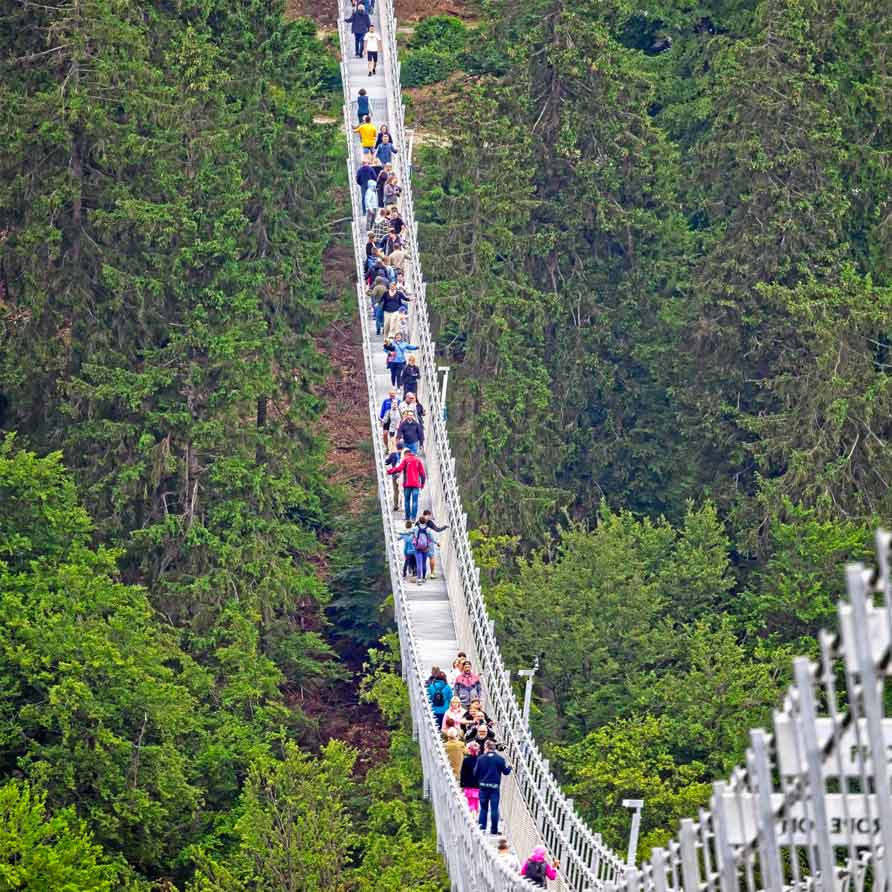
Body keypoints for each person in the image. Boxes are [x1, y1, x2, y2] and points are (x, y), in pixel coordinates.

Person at [475, 740, 512, 835]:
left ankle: (482, 828)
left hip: (483, 787)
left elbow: (475, 773)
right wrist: (510, 767)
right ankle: (494, 830)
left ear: (486, 747)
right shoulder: (500, 759)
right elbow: (506, 772)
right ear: (494, 748)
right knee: (494, 808)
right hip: (494, 788)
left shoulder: (480, 759)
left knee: (483, 809)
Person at [387, 448, 425, 521]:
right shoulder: (418, 460)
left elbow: (398, 469)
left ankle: (407, 518)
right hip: (416, 485)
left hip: (407, 485)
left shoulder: (405, 460)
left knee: (407, 501)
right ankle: (413, 518)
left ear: (406, 454)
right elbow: (422, 474)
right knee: (415, 501)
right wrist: (422, 484)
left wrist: (389, 471)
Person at [419, 509, 447, 578]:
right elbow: (437, 530)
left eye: (429, 516)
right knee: (431, 557)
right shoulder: (430, 523)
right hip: (429, 543)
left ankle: (422, 574)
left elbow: (415, 533)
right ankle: (431, 573)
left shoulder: (418, 522)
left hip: (420, 543)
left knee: (423, 558)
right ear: (424, 515)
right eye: (428, 516)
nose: (428, 517)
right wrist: (444, 527)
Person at [460, 741, 481, 814]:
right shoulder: (481, 760)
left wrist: (462, 784)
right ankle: (475, 813)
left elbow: (463, 773)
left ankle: (471, 813)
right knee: (476, 801)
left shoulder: (466, 760)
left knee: (470, 801)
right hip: (478, 785)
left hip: (468, 785)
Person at [413, 517, 436, 584]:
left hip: (418, 548)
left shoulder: (416, 528)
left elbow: (407, 532)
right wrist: (437, 543)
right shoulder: (428, 529)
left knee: (418, 564)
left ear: (419, 522)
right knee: (424, 563)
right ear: (425, 522)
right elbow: (432, 539)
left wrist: (399, 533)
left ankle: (419, 579)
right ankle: (423, 578)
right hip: (425, 549)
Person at [386, 441, 404, 513]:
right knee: (403, 491)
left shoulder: (393, 454)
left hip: (395, 474)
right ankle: (402, 506)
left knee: (395, 491)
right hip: (402, 475)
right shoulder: (405, 455)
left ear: (396, 447)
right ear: (403, 448)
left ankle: (395, 506)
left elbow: (387, 462)